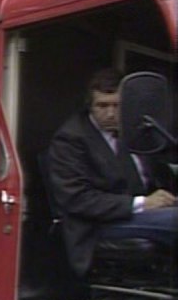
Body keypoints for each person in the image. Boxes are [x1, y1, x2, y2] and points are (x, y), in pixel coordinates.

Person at [48, 68, 177, 277]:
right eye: (102, 106)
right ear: (89, 106)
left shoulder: (136, 131)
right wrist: (143, 203)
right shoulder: (71, 139)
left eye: (117, 106)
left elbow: (159, 171)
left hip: (141, 215)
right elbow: (76, 199)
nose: (110, 113)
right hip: (98, 224)